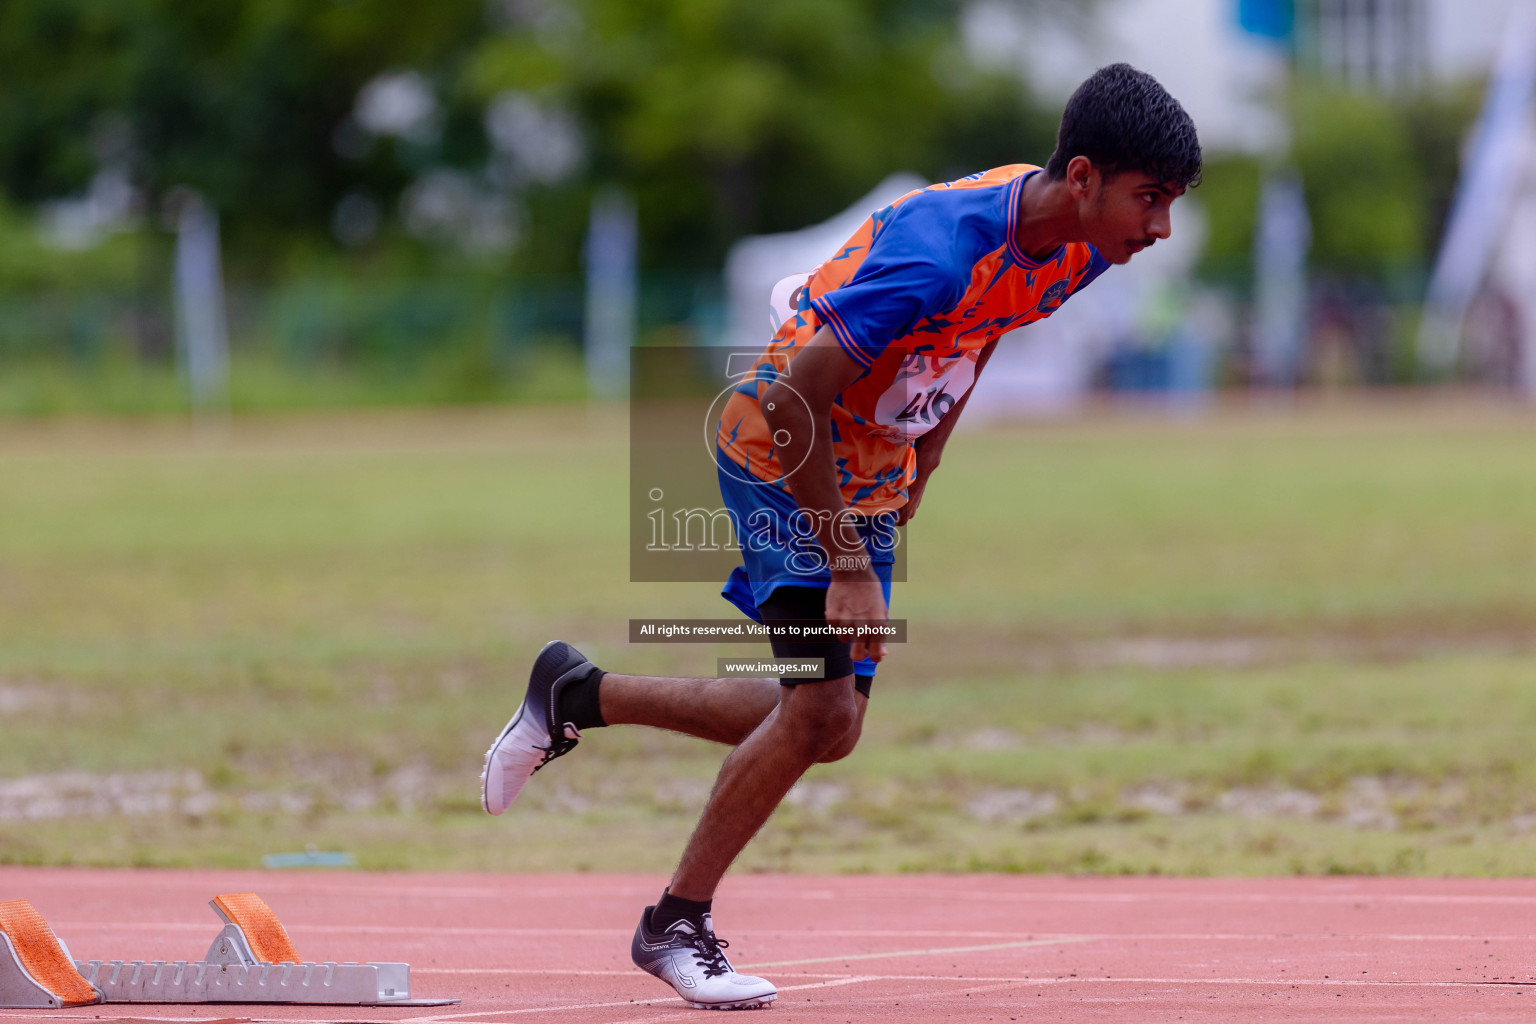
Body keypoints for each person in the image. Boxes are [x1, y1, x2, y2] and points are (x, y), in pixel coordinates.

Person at [480, 62, 1201, 1011]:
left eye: (1171, 204)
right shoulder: (936, 254)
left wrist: (928, 459)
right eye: (1149, 200)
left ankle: (579, 692)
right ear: (1081, 179)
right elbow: (789, 402)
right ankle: (673, 925)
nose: (1160, 228)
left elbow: (981, 334)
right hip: (781, 447)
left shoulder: (1080, 249)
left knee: (830, 725)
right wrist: (851, 562)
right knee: (819, 713)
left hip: (869, 460)